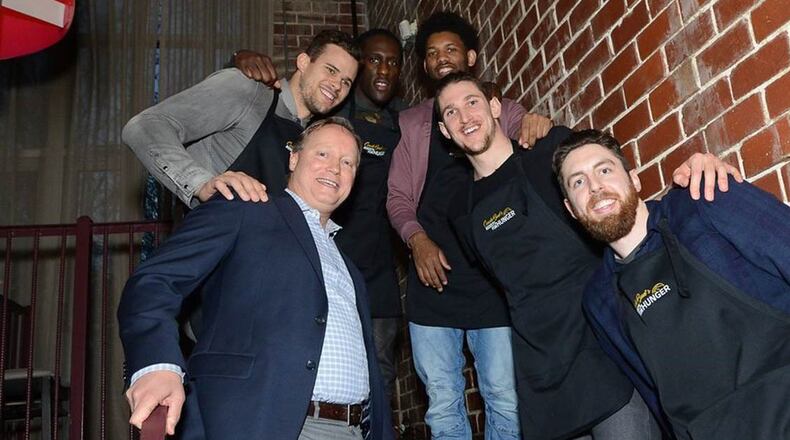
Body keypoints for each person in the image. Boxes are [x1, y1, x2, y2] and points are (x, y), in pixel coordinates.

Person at [435, 72, 742, 440]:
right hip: (541, 371)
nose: (465, 117)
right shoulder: (461, 211)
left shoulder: (550, 154)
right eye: (451, 112)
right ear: (444, 130)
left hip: (604, 347)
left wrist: (694, 182)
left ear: (495, 106)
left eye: (472, 102)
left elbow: (620, 208)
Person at [118, 118, 393, 440]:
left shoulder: (350, 269)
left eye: (348, 163)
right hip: (259, 422)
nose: (335, 168)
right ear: (293, 158)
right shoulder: (244, 208)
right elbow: (154, 281)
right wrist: (156, 363)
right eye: (323, 154)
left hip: (352, 430)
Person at [554, 129, 790, 440]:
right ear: (571, 209)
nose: (595, 186)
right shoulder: (599, 299)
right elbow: (653, 393)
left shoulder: (703, 200)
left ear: (634, 180)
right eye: (578, 182)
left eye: (605, 169)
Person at [386, 11, 553, 439]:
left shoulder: (502, 108)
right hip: (432, 281)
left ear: (471, 57)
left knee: (504, 396)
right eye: (431, 53)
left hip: (491, 279)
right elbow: (399, 197)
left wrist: (538, 124)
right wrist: (417, 240)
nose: (441, 58)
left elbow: (530, 139)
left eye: (451, 49)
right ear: (423, 67)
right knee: (442, 402)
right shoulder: (411, 123)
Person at [230, 28, 408, 404]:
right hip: (317, 264)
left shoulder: (403, 123)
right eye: (373, 60)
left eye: (393, 62)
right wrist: (236, 62)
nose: (383, 70)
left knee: (377, 382)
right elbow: (276, 100)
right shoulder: (326, 112)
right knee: (305, 372)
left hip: (375, 274)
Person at [122, 30, 359, 208]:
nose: (337, 85)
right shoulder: (248, 90)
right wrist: (200, 184)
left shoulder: (311, 138)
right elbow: (145, 126)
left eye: (346, 82)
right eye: (331, 70)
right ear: (304, 62)